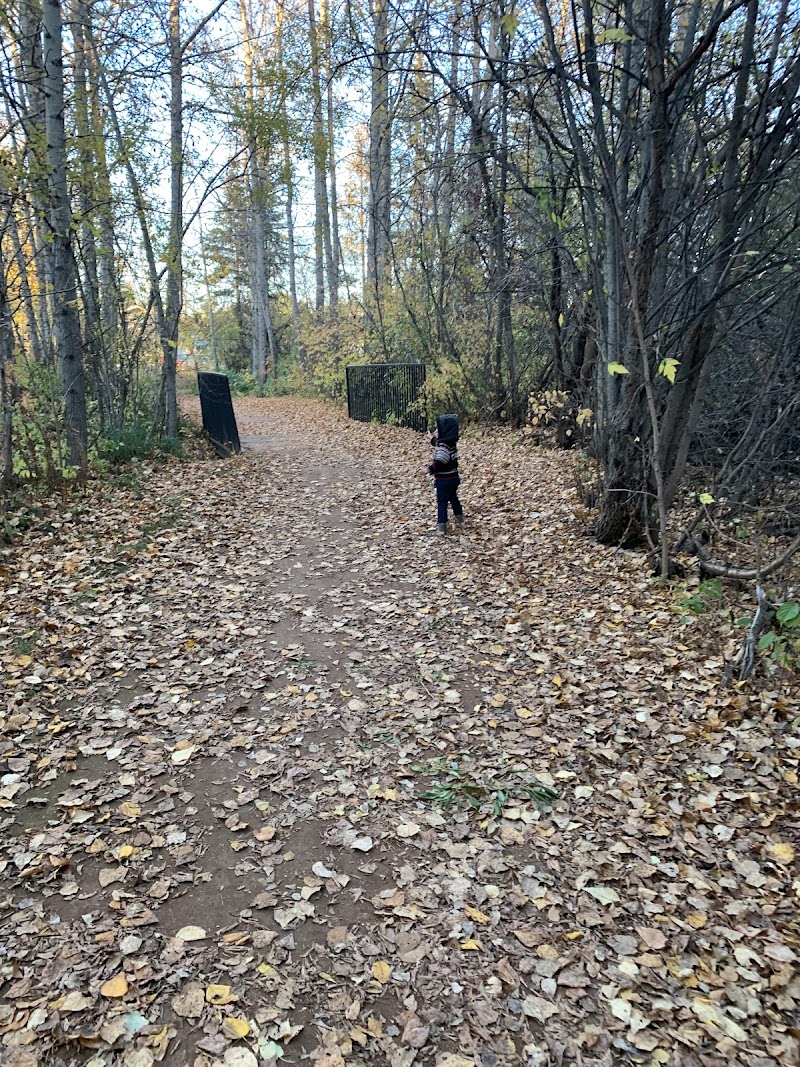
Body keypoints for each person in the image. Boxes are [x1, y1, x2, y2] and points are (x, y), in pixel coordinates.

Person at [427, 413, 464, 535]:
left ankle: (442, 525)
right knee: (453, 498)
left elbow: (439, 463)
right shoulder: (451, 443)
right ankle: (460, 518)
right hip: (454, 478)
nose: (437, 430)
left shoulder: (443, 447)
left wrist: (429, 469)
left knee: (442, 502)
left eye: (438, 429)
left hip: (443, 480)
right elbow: (439, 443)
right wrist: (432, 439)